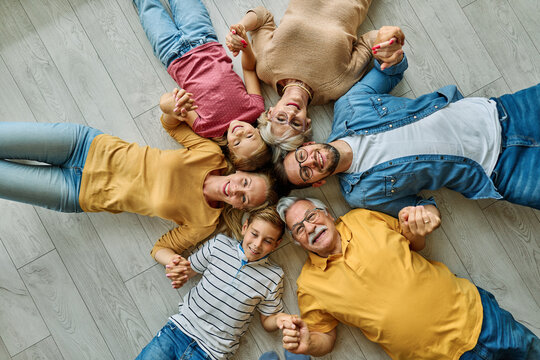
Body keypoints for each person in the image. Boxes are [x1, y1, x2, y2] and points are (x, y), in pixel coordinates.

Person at [275, 52, 540, 217]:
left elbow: (391, 70)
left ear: (307, 144)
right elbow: (421, 207)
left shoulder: (351, 106)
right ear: (319, 183)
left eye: (302, 156)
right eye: (307, 172)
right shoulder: (362, 195)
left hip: (505, 112)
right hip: (501, 172)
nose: (310, 161)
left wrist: (391, 54)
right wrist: (426, 218)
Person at [275, 196, 540, 359]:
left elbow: (413, 244)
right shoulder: (309, 285)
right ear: (298, 243)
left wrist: (417, 227)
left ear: (328, 214)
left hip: (478, 317)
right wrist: (309, 343)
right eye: (299, 229)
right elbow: (326, 339)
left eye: (312, 216)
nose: (310, 227)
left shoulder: (362, 218)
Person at [0, 120, 278, 273]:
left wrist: (172, 261)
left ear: (240, 208)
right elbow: (171, 123)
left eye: (244, 199)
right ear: (240, 171)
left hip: (75, 193)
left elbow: (161, 248)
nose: (237, 190)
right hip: (83, 145)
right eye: (244, 183)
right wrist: (173, 106)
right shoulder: (210, 154)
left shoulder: (204, 222)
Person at [227, 0, 405, 154]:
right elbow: (369, 42)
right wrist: (385, 44)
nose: (291, 113)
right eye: (296, 124)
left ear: (270, 112)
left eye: (281, 119)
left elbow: (262, 17)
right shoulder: (337, 86)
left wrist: (241, 27)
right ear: (307, 124)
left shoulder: (266, 68)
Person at [136, 207, 298, 360]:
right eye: (254, 234)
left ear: (277, 244)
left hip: (211, 353)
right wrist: (176, 266)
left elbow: (267, 321)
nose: (257, 244)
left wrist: (279, 320)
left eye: (267, 241)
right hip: (176, 331)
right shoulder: (219, 245)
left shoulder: (274, 276)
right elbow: (186, 270)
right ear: (245, 227)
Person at [134, 0, 271, 170]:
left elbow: (176, 106)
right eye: (249, 136)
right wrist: (245, 48)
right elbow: (249, 70)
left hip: (171, 53)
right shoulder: (256, 108)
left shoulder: (206, 129)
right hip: (203, 38)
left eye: (236, 143)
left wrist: (174, 103)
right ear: (259, 132)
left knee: (147, 6)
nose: (240, 133)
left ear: (228, 148)